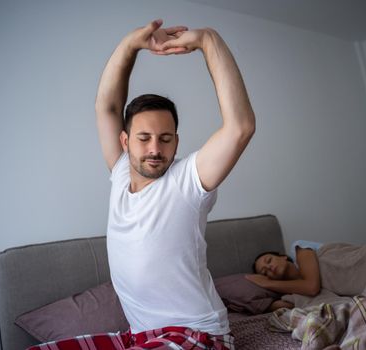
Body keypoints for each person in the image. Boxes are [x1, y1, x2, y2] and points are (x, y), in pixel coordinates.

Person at [95, 19, 255, 349]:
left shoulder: (187, 181)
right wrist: (130, 45)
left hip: (199, 334)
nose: (155, 149)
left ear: (177, 143)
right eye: (144, 138)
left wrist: (209, 40)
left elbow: (240, 126)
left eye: (165, 139)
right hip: (141, 337)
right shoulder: (121, 172)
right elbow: (107, 107)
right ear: (125, 141)